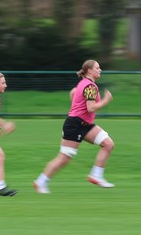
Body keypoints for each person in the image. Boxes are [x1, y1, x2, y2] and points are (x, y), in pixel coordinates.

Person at [33, 60, 115, 194]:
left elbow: (73, 93)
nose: (100, 70)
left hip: (85, 125)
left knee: (108, 144)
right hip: (75, 125)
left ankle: (96, 175)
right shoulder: (90, 86)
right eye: (97, 68)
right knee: (64, 158)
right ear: (89, 70)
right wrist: (105, 101)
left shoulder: (84, 83)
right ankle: (40, 182)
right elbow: (91, 107)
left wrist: (77, 104)